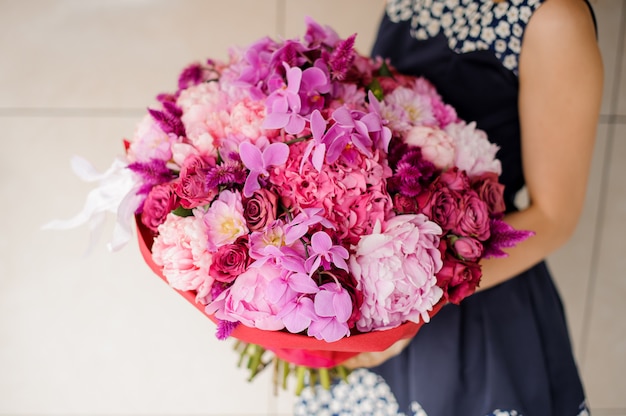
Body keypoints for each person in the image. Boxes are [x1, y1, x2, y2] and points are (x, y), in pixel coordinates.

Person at [294, 0, 603, 415]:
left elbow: (554, 218)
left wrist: (406, 305)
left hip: (474, 305)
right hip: (376, 289)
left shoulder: (555, 19)